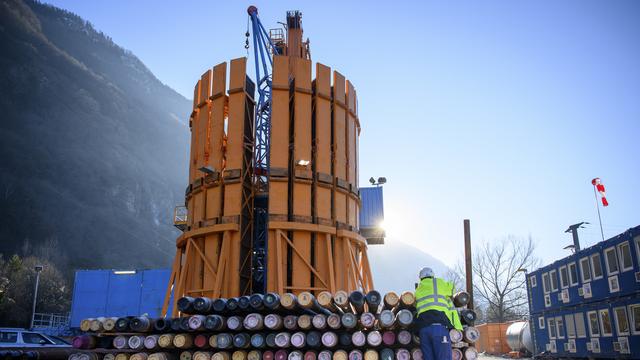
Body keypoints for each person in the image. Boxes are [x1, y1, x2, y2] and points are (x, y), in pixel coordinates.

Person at [414, 267, 463, 360]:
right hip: (438, 328)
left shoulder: (418, 290)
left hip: (423, 330)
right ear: (432, 275)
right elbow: (452, 288)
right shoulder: (438, 282)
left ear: (420, 278)